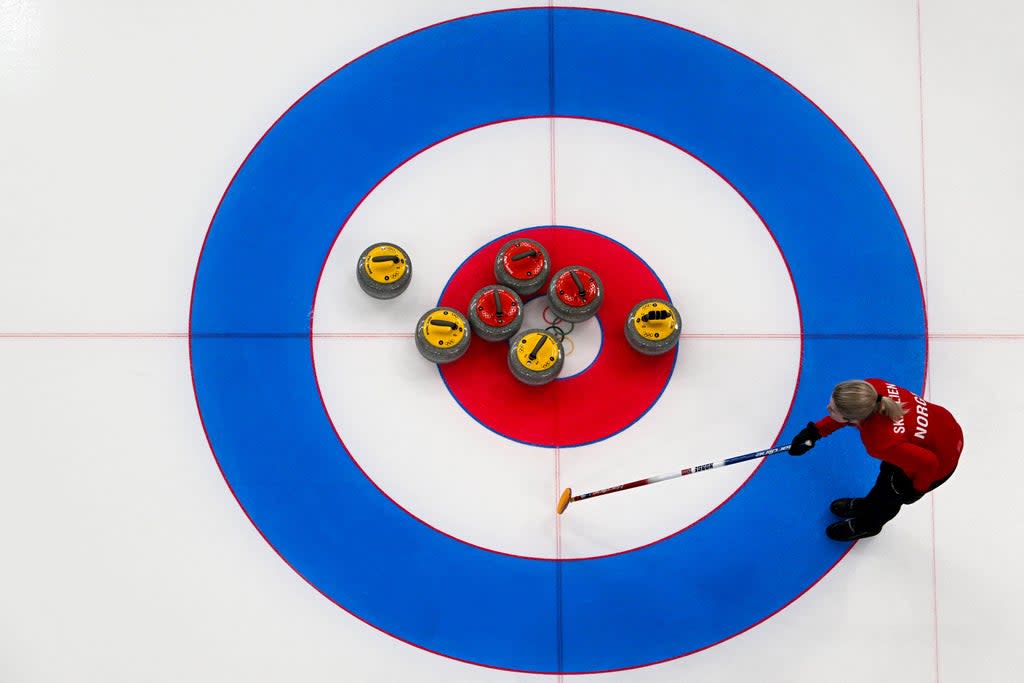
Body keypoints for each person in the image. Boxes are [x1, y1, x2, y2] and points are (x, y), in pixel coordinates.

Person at [789, 378, 963, 541]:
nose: (828, 408)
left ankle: (869, 524)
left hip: (940, 460)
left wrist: (916, 489)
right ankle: (868, 505)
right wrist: (815, 432)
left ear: (853, 418)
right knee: (886, 480)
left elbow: (929, 463)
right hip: (941, 428)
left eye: (833, 409)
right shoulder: (870, 388)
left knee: (890, 492)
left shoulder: (880, 441)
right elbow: (846, 414)